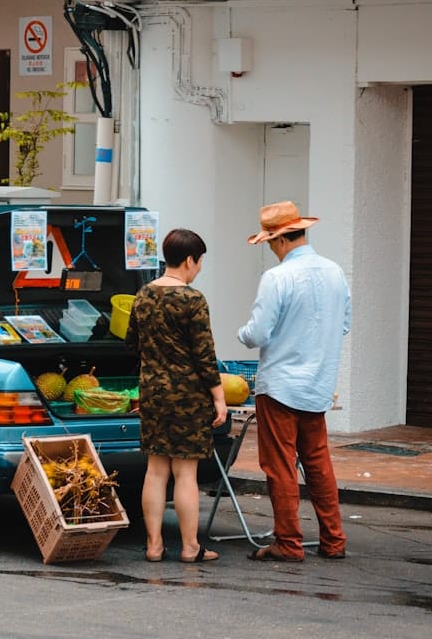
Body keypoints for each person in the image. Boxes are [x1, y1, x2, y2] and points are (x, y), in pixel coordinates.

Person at [237, 201, 351, 562]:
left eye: (271, 243)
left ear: (281, 239)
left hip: (280, 385)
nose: (272, 250)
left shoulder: (277, 277)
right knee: (318, 463)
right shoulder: (335, 272)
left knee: (280, 465)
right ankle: (334, 540)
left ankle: (288, 543)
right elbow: (344, 324)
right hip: (318, 384)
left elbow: (258, 333)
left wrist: (241, 333)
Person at [125, 228, 228, 563]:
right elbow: (204, 355)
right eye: (200, 262)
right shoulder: (193, 300)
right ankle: (190, 546)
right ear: (189, 260)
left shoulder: (143, 295)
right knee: (185, 473)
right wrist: (219, 397)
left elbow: (131, 344)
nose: (199, 268)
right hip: (188, 395)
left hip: (152, 392)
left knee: (155, 471)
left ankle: (154, 545)